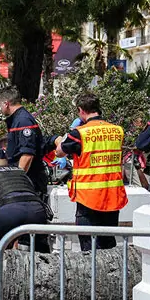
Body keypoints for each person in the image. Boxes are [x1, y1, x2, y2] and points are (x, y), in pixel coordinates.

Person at [55, 93, 126, 250]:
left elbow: (59, 152)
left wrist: (65, 136)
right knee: (108, 245)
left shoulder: (79, 133)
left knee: (89, 249)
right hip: (112, 196)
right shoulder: (117, 130)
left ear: (81, 110)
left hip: (88, 198)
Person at [0, 86, 47, 199]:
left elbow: (27, 155)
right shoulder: (17, 120)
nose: (0, 108)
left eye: (0, 104)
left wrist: (17, 182)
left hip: (30, 182)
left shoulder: (23, 121)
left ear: (6, 103)